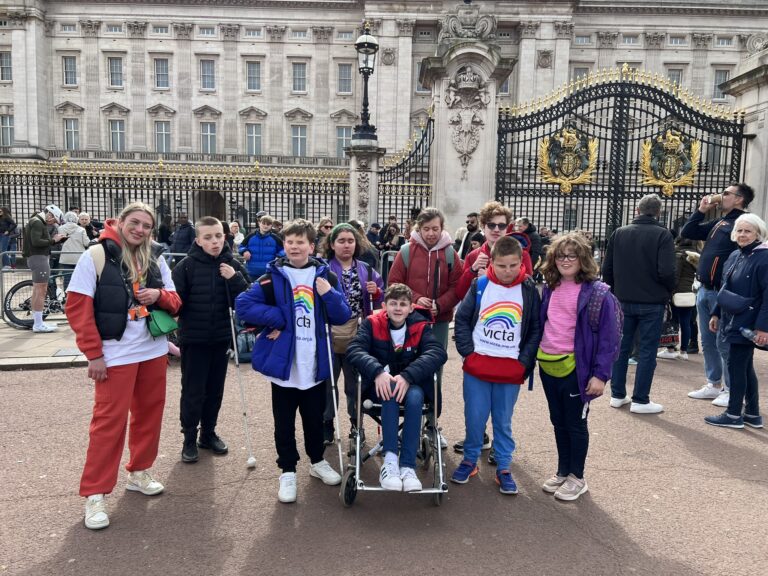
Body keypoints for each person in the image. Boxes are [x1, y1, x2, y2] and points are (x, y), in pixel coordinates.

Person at [65, 202, 182, 530]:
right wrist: (93, 354)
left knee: (149, 415)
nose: (140, 229)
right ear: (120, 221)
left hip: (152, 349)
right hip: (115, 354)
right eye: (135, 222)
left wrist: (157, 295)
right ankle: (96, 492)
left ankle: (138, 471)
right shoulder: (96, 256)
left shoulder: (156, 257)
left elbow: (175, 301)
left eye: (147, 225)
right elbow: (78, 308)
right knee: (108, 423)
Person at [235, 219, 351, 503]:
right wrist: (278, 319)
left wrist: (329, 295)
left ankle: (316, 461)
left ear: (311, 246)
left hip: (314, 362)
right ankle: (287, 469)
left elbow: (342, 315)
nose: (295, 247)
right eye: (290, 242)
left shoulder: (326, 277)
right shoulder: (271, 277)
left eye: (300, 242)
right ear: (284, 245)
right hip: (285, 364)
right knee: (283, 421)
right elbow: (243, 305)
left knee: (314, 419)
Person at [452, 236, 542, 494]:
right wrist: (468, 354)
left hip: (510, 368)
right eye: (502, 266)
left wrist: (524, 362)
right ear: (492, 262)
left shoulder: (527, 288)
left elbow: (535, 328)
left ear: (520, 262)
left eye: (513, 265)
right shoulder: (479, 284)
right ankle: (470, 460)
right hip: (478, 365)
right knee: (475, 417)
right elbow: (462, 320)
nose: (508, 271)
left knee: (503, 421)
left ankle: (503, 466)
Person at [538, 232, 622, 501]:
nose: (565, 260)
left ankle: (577, 476)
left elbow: (610, 339)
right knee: (558, 421)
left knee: (575, 423)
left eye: (572, 255)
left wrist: (600, 375)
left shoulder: (598, 293)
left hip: (578, 368)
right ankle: (563, 470)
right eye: (560, 255)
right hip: (549, 365)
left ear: (583, 258)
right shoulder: (550, 288)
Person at [347, 283, 447, 491]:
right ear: (384, 306)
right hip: (379, 387)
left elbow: (437, 353)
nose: (398, 308)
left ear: (411, 308)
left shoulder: (421, 326)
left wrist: (408, 376)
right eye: (393, 303)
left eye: (403, 304)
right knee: (389, 391)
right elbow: (355, 349)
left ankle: (408, 466)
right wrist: (377, 372)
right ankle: (390, 461)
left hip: (412, 386)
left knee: (415, 397)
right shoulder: (371, 323)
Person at [173, 216, 250, 463]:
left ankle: (208, 433)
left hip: (221, 338)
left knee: (215, 391)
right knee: (193, 391)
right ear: (198, 240)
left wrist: (234, 278)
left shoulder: (233, 264)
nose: (215, 241)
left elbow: (249, 298)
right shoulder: (185, 266)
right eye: (208, 237)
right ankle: (188, 438)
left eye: (218, 236)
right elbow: (175, 303)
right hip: (194, 340)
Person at [681, 183, 754, 406]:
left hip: (721, 291)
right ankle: (713, 383)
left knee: (725, 342)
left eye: (726, 194)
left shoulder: (743, 224)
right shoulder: (721, 221)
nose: (721, 197)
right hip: (704, 288)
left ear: (739, 199)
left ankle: (731, 389)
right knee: (709, 341)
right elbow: (688, 232)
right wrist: (701, 210)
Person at [602, 194, 676, 414]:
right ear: (658, 212)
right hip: (652, 301)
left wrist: (615, 291)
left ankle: (617, 394)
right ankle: (640, 399)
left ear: (637, 210)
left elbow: (607, 269)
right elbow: (667, 271)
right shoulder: (663, 234)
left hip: (623, 298)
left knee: (621, 349)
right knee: (646, 351)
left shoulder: (619, 233)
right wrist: (666, 291)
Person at [388, 208, 462, 423]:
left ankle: (432, 421)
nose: (431, 233)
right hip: (411, 319)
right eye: (426, 229)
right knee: (406, 363)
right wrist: (416, 299)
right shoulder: (406, 251)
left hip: (439, 320)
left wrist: (441, 304)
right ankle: (407, 414)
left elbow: (457, 286)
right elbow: (394, 282)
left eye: (435, 229)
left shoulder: (450, 253)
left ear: (442, 228)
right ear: (419, 229)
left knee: (435, 367)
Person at [454, 200, 514, 455]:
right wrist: (472, 270)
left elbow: (528, 288)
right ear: (484, 226)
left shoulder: (516, 252)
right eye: (492, 225)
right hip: (479, 329)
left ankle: (501, 450)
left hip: (505, 331)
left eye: (502, 225)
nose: (497, 229)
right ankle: (478, 437)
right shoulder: (472, 255)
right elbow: (459, 292)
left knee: (502, 399)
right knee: (477, 395)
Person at [705, 214, 768, 429]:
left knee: (736, 365)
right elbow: (724, 288)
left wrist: (763, 327)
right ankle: (752, 413)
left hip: (749, 320)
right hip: (733, 317)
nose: (742, 235)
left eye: (747, 231)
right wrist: (716, 313)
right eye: (739, 230)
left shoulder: (764, 257)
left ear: (758, 234)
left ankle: (733, 414)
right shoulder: (734, 255)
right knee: (744, 366)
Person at [323, 223, 384, 442]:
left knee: (355, 383)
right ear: (332, 244)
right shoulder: (323, 268)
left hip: (357, 333)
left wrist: (376, 292)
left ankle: (356, 423)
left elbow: (380, 300)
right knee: (328, 382)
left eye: (350, 241)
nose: (346, 245)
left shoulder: (367, 270)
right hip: (328, 331)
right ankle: (326, 423)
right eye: (341, 241)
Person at [22, 204, 65, 333]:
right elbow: (36, 242)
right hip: (38, 258)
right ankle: (38, 324)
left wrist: (56, 241)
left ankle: (38, 322)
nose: (52, 223)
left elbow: (38, 241)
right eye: (53, 220)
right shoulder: (37, 222)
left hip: (37, 257)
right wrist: (53, 240)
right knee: (41, 290)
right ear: (49, 214)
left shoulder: (36, 221)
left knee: (38, 290)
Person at [657, 237, 698, 361]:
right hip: (690, 293)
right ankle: (684, 351)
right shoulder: (696, 255)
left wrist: (669, 291)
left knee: (673, 321)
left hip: (677, 293)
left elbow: (675, 276)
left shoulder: (679, 255)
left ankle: (670, 349)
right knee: (686, 322)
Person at [239, 214, 283, 280]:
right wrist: (244, 251)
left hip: (268, 273)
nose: (265, 226)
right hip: (251, 272)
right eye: (263, 223)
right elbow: (241, 246)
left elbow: (284, 250)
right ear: (259, 223)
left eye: (268, 224)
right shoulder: (250, 236)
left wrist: (279, 256)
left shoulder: (275, 238)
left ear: (271, 226)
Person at [57, 211, 91, 290]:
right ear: (76, 219)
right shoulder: (81, 229)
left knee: (67, 278)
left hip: (66, 257)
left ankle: (66, 295)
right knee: (79, 278)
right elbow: (87, 243)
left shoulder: (60, 228)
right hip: (79, 257)